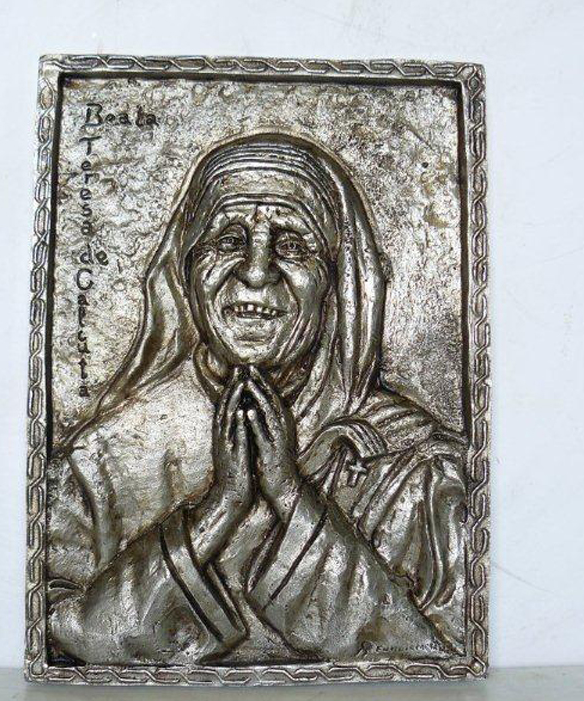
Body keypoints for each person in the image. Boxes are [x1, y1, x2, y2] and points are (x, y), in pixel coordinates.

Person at [47, 133, 467, 665]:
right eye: (228, 241)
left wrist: (290, 495)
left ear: (336, 283)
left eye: (292, 246)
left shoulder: (418, 470)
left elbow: (438, 650)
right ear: (185, 271)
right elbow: (65, 638)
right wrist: (219, 510)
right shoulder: (98, 465)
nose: (256, 271)